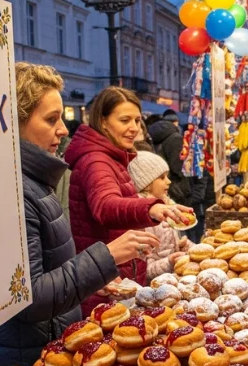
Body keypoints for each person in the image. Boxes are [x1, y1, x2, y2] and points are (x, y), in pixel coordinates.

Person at [0, 63, 160, 366]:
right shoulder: (10, 190)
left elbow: (47, 265)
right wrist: (107, 256)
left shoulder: (34, 180)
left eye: (61, 117)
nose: (63, 129)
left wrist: (92, 273)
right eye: (51, 119)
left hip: (41, 350)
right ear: (14, 122)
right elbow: (31, 297)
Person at [65, 87, 191, 316]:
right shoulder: (96, 160)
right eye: (124, 120)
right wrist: (152, 206)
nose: (134, 128)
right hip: (105, 284)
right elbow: (105, 206)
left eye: (136, 120)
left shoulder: (112, 157)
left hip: (117, 277)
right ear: (103, 122)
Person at [128, 152, 193, 279]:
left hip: (174, 278)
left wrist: (187, 247)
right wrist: (169, 262)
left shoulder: (167, 204)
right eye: (162, 178)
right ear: (146, 183)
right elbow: (145, 270)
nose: (169, 182)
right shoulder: (143, 220)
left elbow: (172, 244)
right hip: (156, 287)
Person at [148, 115, 189, 207]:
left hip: (162, 184)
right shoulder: (176, 138)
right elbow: (178, 168)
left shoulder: (156, 138)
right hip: (177, 188)